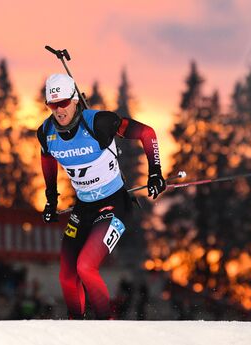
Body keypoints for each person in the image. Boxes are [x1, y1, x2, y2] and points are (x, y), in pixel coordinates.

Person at [37, 73, 166, 319]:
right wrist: (51, 199)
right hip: (83, 207)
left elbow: (147, 133)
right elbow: (47, 160)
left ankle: (107, 326)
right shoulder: (46, 132)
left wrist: (155, 173)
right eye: (53, 105)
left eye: (63, 102)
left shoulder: (99, 123)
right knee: (66, 276)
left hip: (114, 204)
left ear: (74, 100)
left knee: (86, 266)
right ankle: (77, 326)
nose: (59, 110)